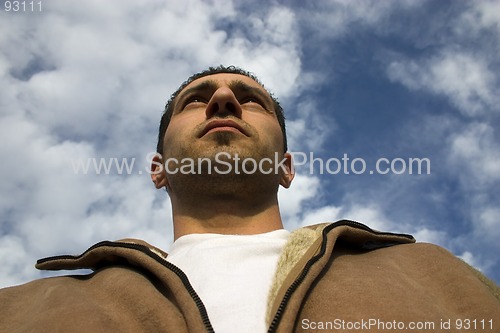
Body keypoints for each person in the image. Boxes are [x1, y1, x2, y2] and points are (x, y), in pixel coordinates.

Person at [0, 65, 498, 333]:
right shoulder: (23, 310)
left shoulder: (438, 276)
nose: (223, 101)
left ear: (285, 167)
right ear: (158, 171)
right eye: (194, 100)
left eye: (249, 99)